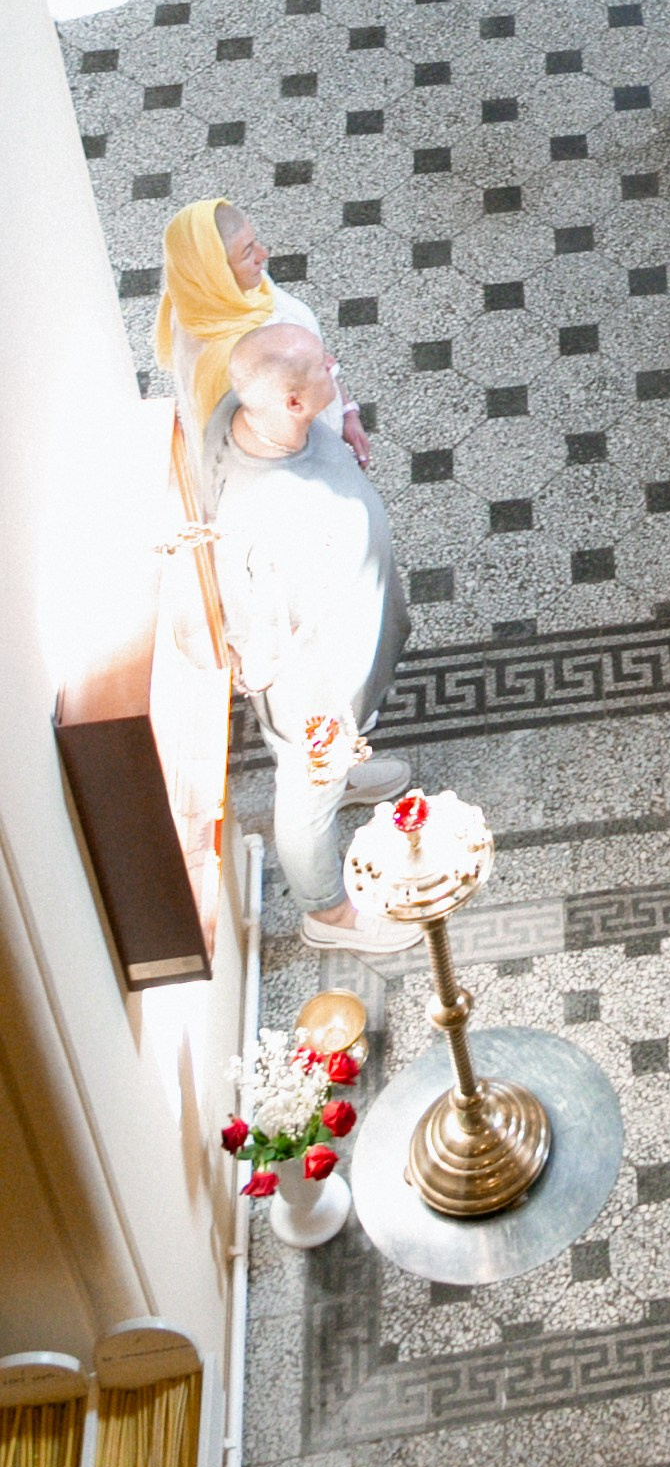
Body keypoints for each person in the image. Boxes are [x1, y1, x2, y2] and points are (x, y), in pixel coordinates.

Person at [210, 322, 417, 951]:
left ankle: (346, 772)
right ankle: (327, 915)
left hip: (341, 658)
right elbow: (260, 637)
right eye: (323, 365)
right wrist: (318, 723)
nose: (333, 362)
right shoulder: (268, 516)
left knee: (327, 768)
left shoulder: (244, 411)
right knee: (308, 790)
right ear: (294, 402)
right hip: (316, 691)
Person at [154, 197, 368, 499]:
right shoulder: (235, 361)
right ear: (216, 272)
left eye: (254, 243)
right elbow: (281, 447)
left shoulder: (223, 293)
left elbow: (312, 361)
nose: (263, 255)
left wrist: (346, 411)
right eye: (247, 253)